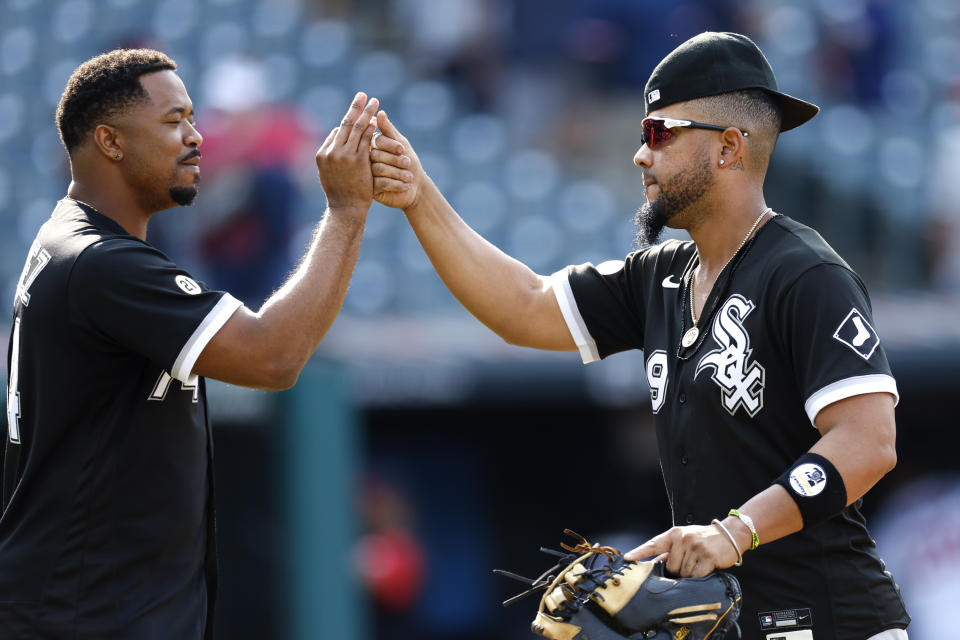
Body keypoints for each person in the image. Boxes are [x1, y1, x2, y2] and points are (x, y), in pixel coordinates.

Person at [369, 32, 909, 640]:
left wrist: (735, 530)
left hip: (837, 622)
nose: (640, 156)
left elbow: (868, 441)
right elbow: (523, 305)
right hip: (735, 625)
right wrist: (418, 196)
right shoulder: (662, 277)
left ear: (729, 147)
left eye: (660, 133)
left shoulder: (805, 273)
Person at [1, 49, 401, 638]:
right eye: (173, 121)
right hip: (86, 617)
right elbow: (273, 355)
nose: (196, 137)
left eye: (193, 118)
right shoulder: (101, 263)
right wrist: (346, 209)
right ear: (110, 142)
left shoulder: (73, 240)